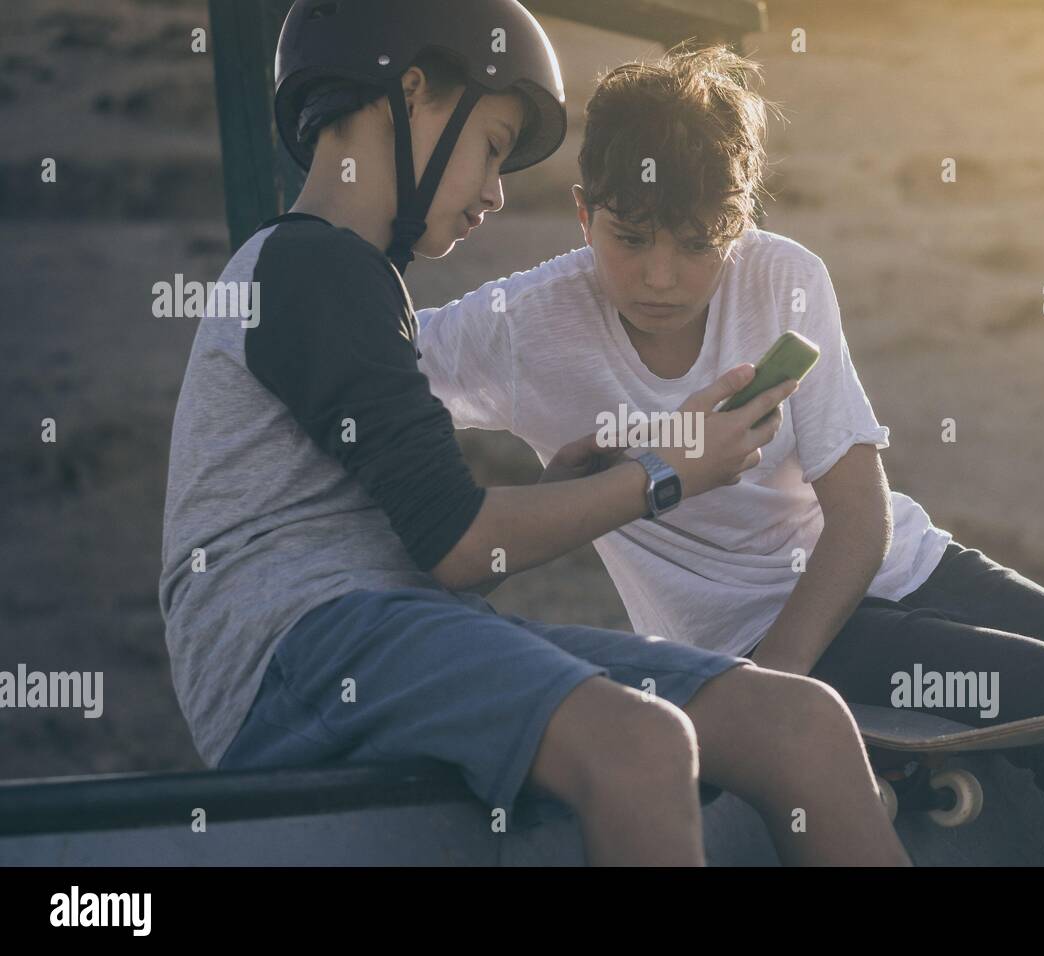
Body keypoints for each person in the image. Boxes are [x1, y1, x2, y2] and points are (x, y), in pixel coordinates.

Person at [415, 44, 1044, 865]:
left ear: (740, 221)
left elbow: (861, 515)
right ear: (582, 212)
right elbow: (367, 362)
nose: (660, 276)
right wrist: (763, 696)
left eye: (697, 243)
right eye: (629, 236)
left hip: (894, 568)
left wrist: (770, 690)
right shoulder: (521, 325)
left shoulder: (783, 276)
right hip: (759, 631)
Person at [158, 0, 910, 867]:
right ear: (411, 94)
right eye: (492, 144)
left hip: (386, 629)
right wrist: (666, 472)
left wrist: (559, 496)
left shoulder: (355, 283)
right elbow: (460, 547)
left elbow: (437, 542)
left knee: (801, 724)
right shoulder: (306, 264)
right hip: (292, 656)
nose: (495, 192)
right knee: (640, 746)